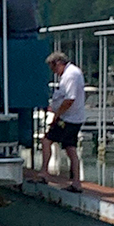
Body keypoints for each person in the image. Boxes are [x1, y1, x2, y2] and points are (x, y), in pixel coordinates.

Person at [38, 52, 86, 192]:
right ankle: (47, 173)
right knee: (60, 144)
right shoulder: (68, 74)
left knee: (62, 145)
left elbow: (70, 99)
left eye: (53, 68)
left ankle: (73, 181)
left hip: (69, 119)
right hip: (68, 117)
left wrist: (56, 115)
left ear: (58, 63)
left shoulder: (71, 75)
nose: (54, 72)